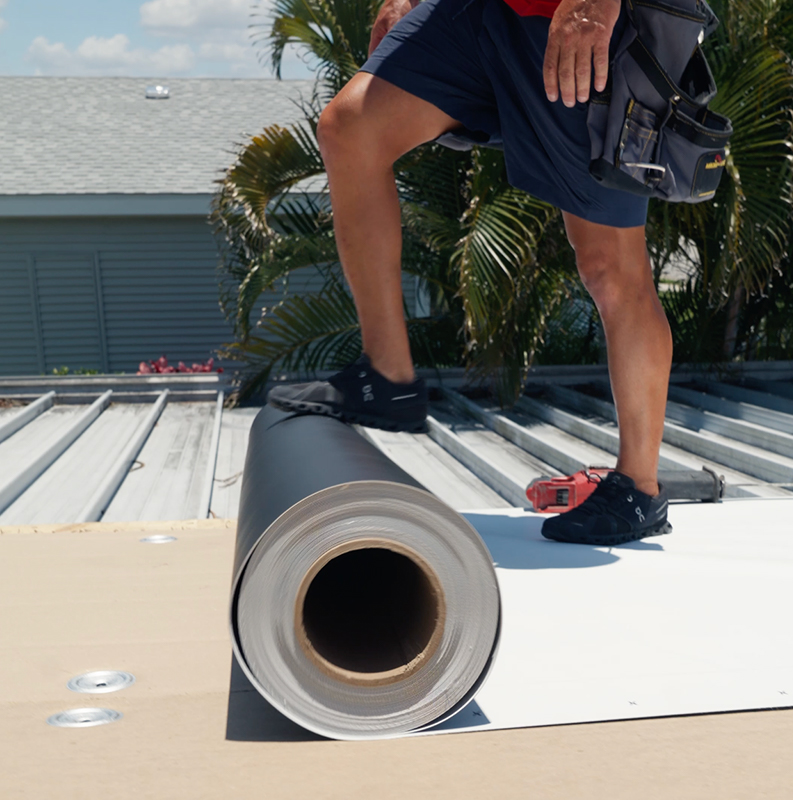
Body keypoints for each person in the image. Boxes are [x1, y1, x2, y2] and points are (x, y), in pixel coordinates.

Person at [268, 0, 673, 546]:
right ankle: (387, 376)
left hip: (566, 17)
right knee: (350, 126)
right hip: (472, 10)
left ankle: (639, 487)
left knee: (608, 262)